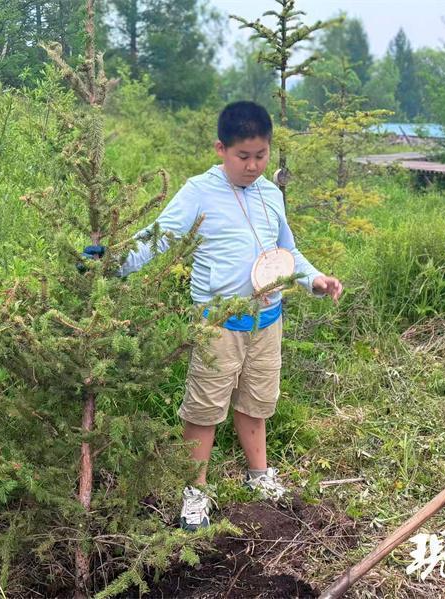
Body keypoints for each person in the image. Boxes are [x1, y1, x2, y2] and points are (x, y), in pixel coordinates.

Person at [97, 101, 342, 531]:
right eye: (242, 156)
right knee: (205, 408)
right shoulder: (199, 191)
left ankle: (259, 477)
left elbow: (287, 251)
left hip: (267, 320)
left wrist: (313, 278)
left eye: (260, 156)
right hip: (218, 323)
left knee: (257, 401)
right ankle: (195, 493)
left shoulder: (270, 193)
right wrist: (109, 261)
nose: (252, 166)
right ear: (220, 149)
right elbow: (158, 238)